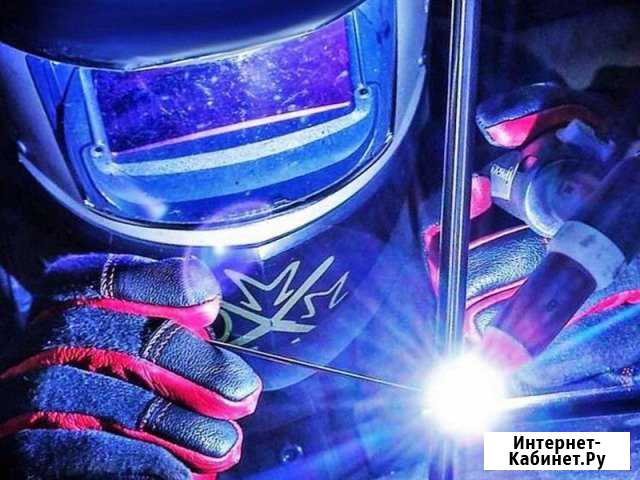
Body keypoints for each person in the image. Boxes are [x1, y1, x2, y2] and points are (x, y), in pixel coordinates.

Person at [2, 1, 640, 479]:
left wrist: (585, 439)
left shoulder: (508, 146)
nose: (249, 186)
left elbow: (548, 451)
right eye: (146, 103)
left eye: (296, 74)